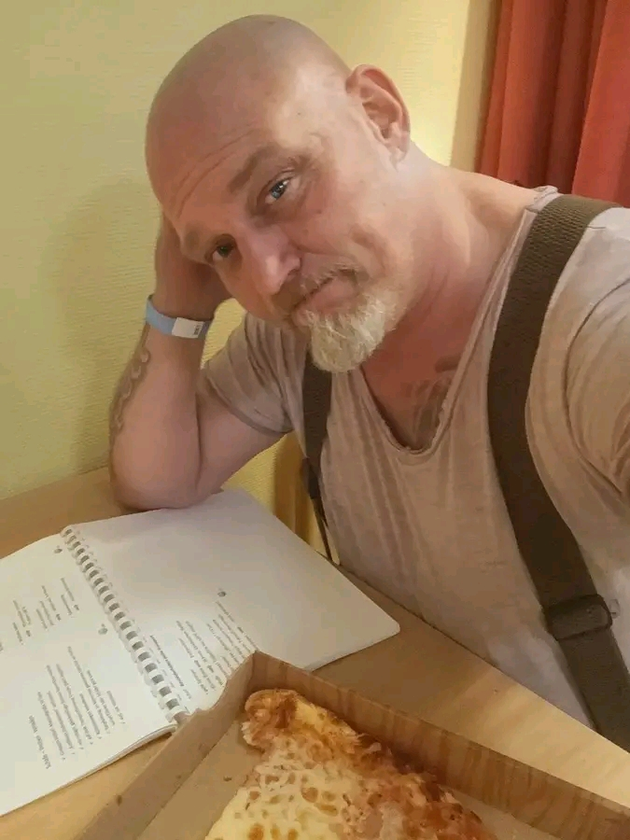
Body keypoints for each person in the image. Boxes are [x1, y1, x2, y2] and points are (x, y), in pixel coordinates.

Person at [109, 15, 630, 728]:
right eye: (223, 249)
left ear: (380, 115)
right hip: (389, 744)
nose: (268, 278)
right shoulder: (308, 325)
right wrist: (177, 305)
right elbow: (159, 481)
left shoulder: (601, 313)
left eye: (278, 188)